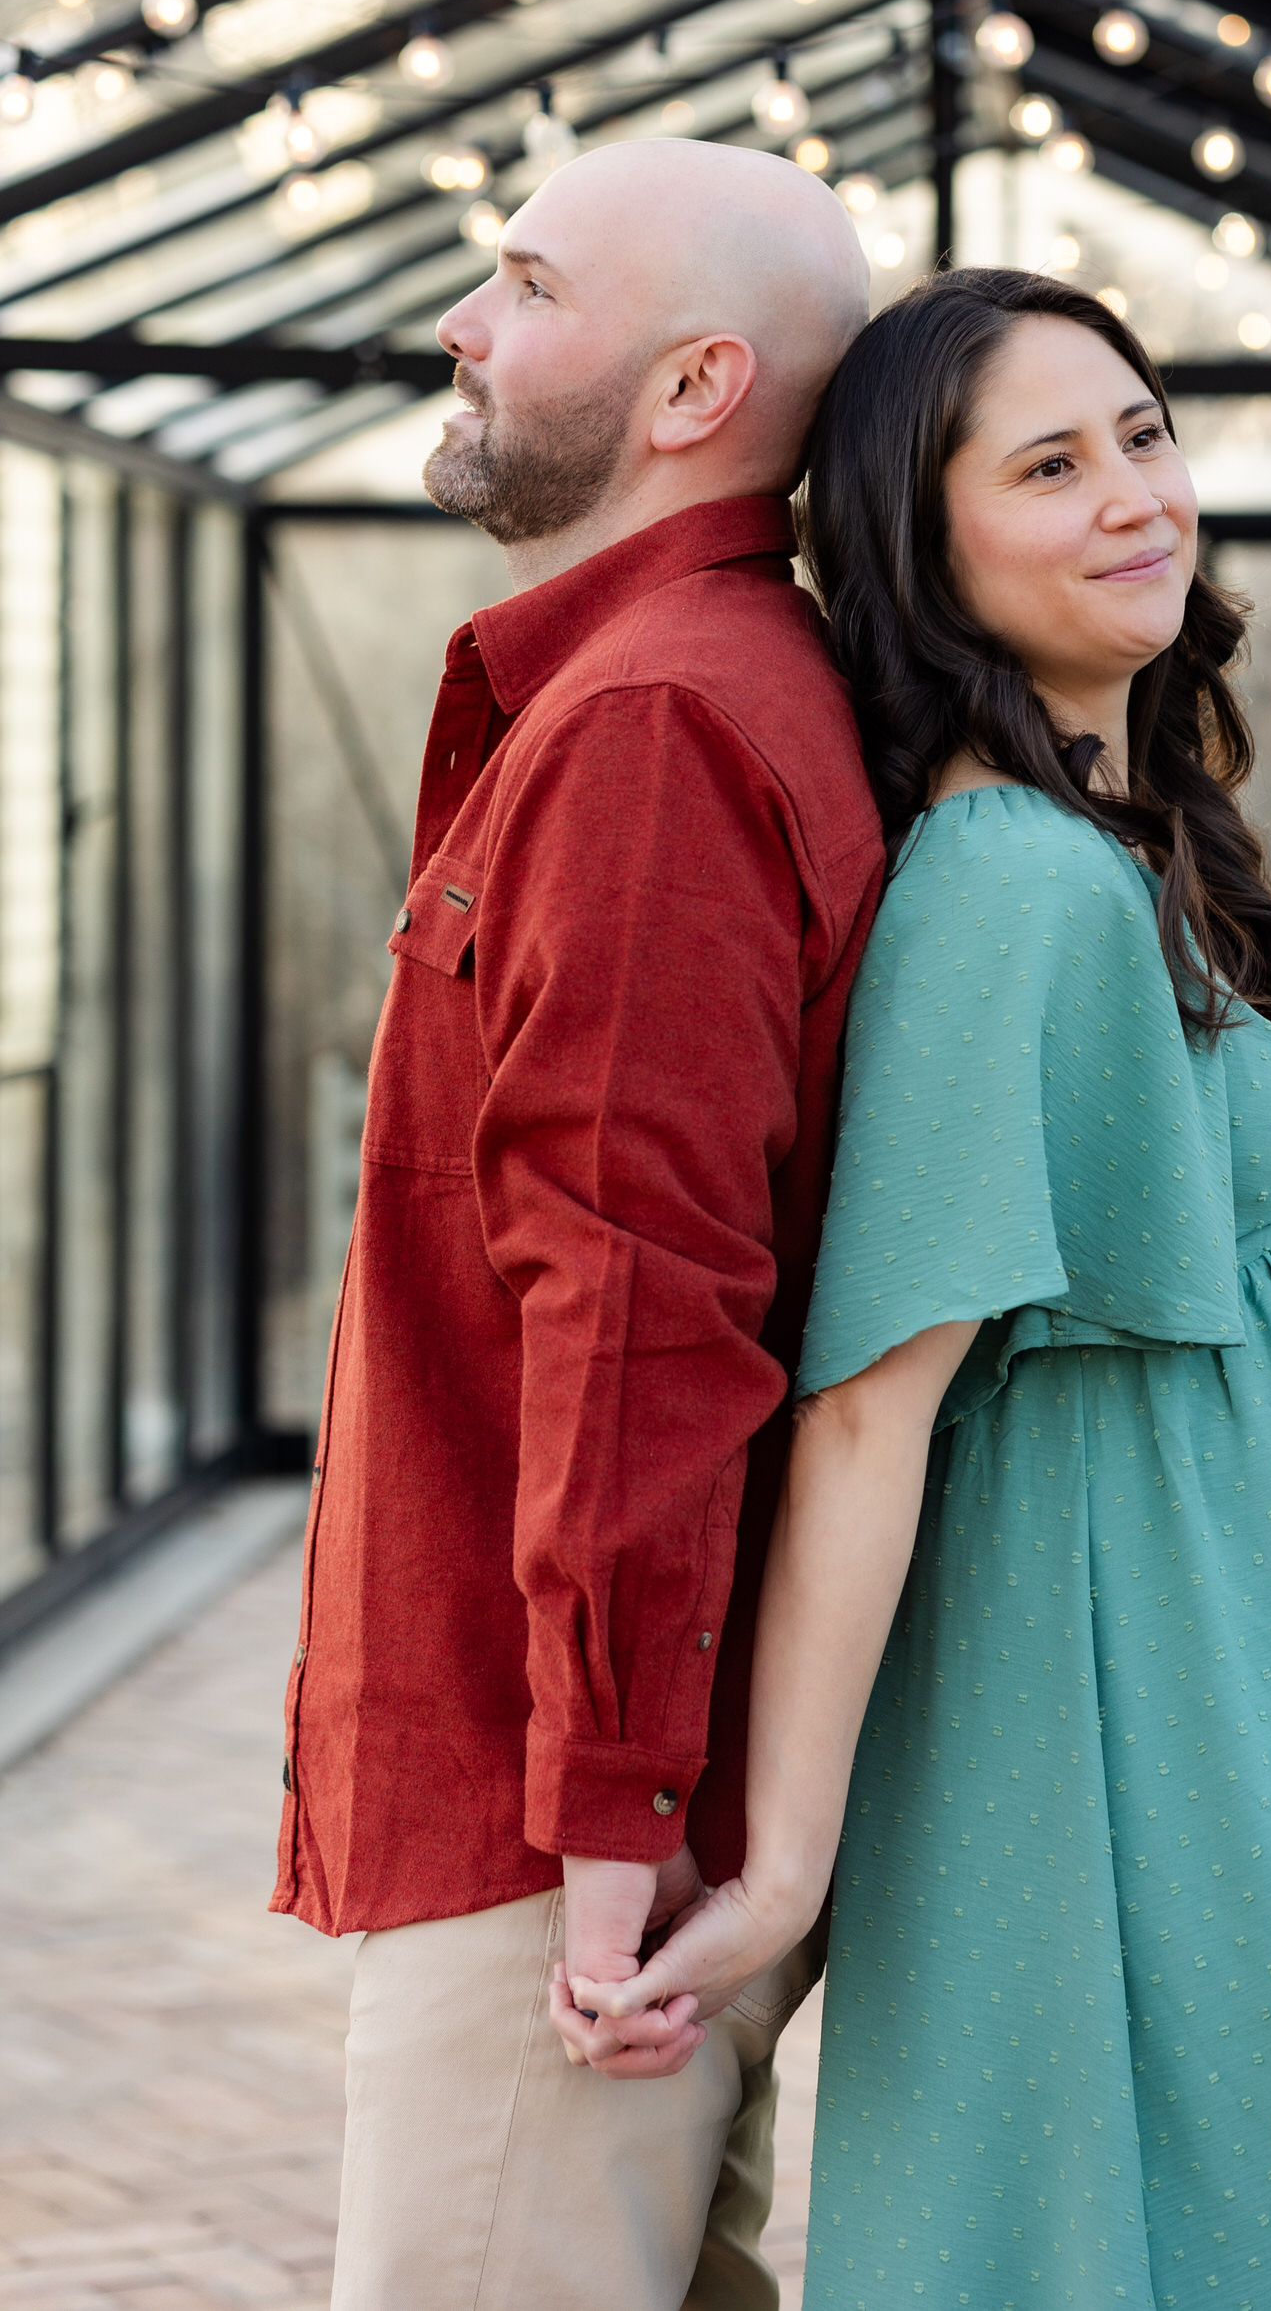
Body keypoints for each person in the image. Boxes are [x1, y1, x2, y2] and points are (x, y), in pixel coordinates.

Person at [577, 269, 1271, 2308]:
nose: (1134, 496)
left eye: (1146, 434)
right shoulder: (1007, 884)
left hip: (1212, 1681)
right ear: (931, 545)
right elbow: (874, 1401)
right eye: (1053, 464)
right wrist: (790, 1866)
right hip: (1092, 1701)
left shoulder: (1129, 834)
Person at [271, 137, 883, 2311]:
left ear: (695, 384)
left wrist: (609, 1816)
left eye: (523, 281)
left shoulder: (654, 728)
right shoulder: (664, 695)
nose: (464, 318)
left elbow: (641, 1302)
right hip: (581, 1776)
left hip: (566, 1818)